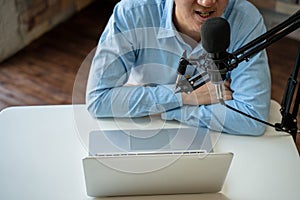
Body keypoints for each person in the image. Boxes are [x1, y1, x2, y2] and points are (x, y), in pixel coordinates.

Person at [86, 0, 271, 136]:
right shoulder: (132, 13)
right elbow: (99, 99)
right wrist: (185, 95)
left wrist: (168, 109)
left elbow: (252, 117)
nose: (207, 2)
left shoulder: (245, 20)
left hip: (211, 135)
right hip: (143, 127)